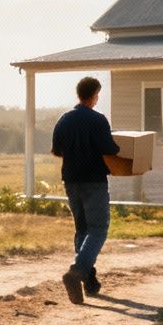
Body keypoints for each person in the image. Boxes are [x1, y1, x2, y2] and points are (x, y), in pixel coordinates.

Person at [50, 75, 119, 304]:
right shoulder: (98, 120)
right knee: (98, 228)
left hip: (71, 180)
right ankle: (78, 271)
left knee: (82, 229)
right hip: (94, 180)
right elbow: (109, 148)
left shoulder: (64, 120)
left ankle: (88, 282)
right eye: (98, 94)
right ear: (94, 94)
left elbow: (57, 150)